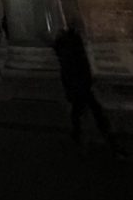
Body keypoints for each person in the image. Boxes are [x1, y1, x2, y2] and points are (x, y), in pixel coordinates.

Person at [53, 22, 125, 158]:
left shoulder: (68, 55)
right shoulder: (73, 53)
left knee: (84, 111)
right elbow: (77, 71)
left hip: (79, 88)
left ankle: (80, 134)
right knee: (94, 113)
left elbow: (69, 74)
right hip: (81, 88)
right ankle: (110, 142)